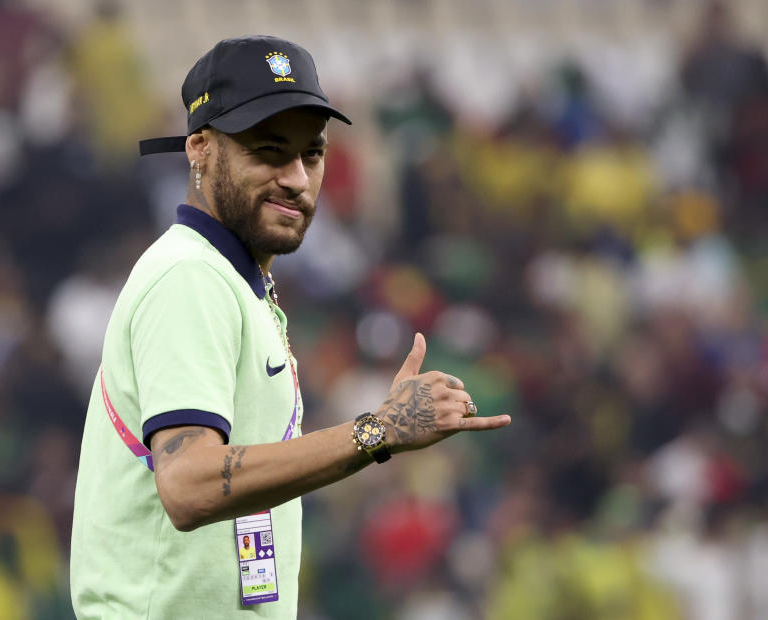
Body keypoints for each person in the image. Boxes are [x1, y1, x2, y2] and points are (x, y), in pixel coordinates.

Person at [69, 35, 512, 619]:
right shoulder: (189, 277)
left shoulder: (233, 282)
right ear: (199, 148)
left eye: (312, 154)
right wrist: (376, 431)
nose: (297, 179)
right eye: (269, 151)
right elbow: (190, 484)